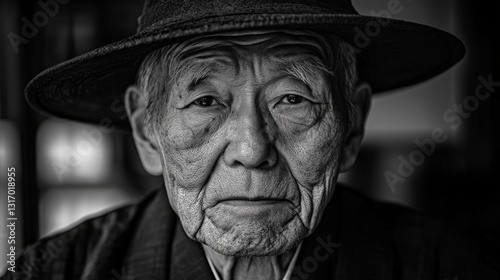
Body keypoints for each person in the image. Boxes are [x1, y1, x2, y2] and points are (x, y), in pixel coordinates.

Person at [2, 0, 499, 279]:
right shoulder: (53, 274)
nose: (252, 150)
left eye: (292, 99)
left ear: (351, 125)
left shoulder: (449, 268)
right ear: (146, 132)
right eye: (205, 102)